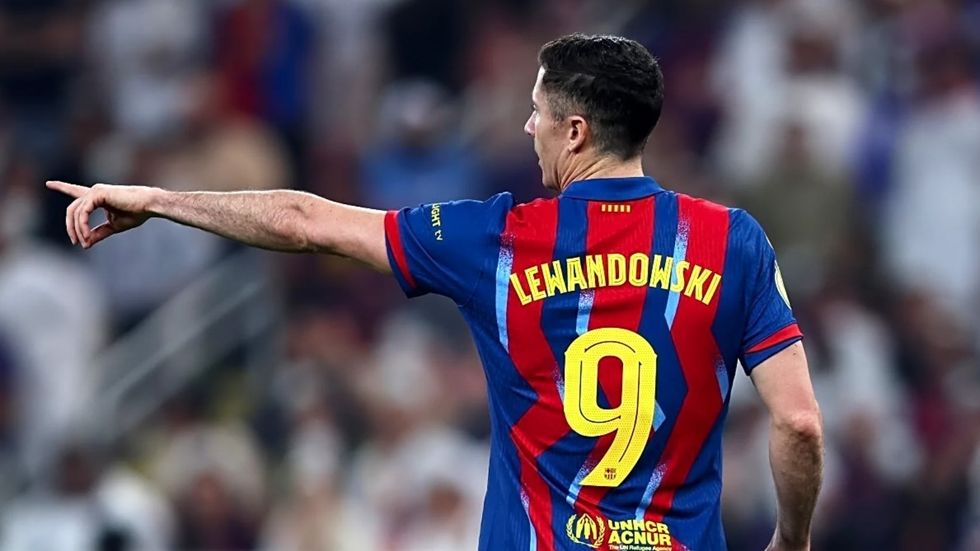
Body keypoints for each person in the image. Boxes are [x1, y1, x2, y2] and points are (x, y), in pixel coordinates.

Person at [49, 34, 823, 551]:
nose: (526, 127)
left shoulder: (498, 239)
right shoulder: (732, 243)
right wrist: (792, 540)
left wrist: (159, 200)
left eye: (537, 112)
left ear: (576, 131)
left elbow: (306, 221)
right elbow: (798, 423)